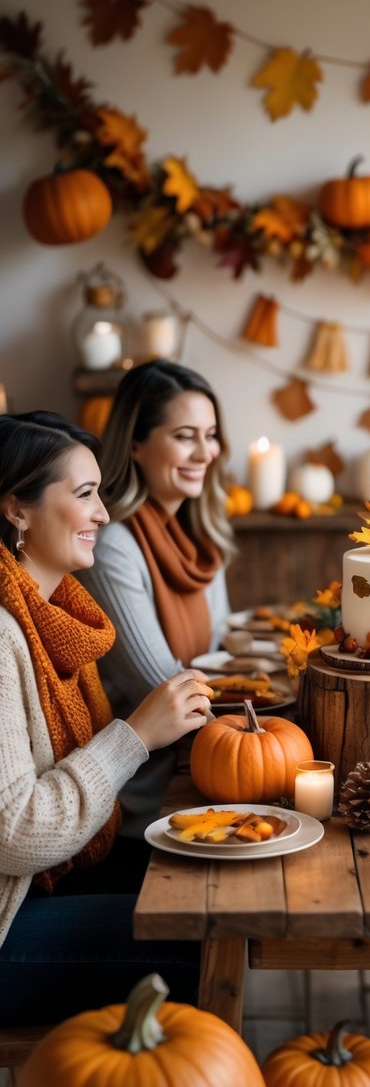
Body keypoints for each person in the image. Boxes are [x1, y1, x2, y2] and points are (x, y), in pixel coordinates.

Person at [0, 411, 212, 1023]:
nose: (102, 515)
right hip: (8, 916)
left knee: (204, 882)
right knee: (201, 941)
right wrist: (135, 737)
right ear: (17, 508)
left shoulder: (59, 616)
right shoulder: (5, 634)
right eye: (86, 495)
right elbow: (17, 832)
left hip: (44, 881)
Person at [79, 360, 235, 837]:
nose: (204, 452)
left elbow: (223, 647)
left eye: (210, 435)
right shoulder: (113, 547)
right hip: (145, 804)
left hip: (202, 773)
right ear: (136, 444)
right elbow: (167, 690)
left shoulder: (199, 537)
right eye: (185, 435)